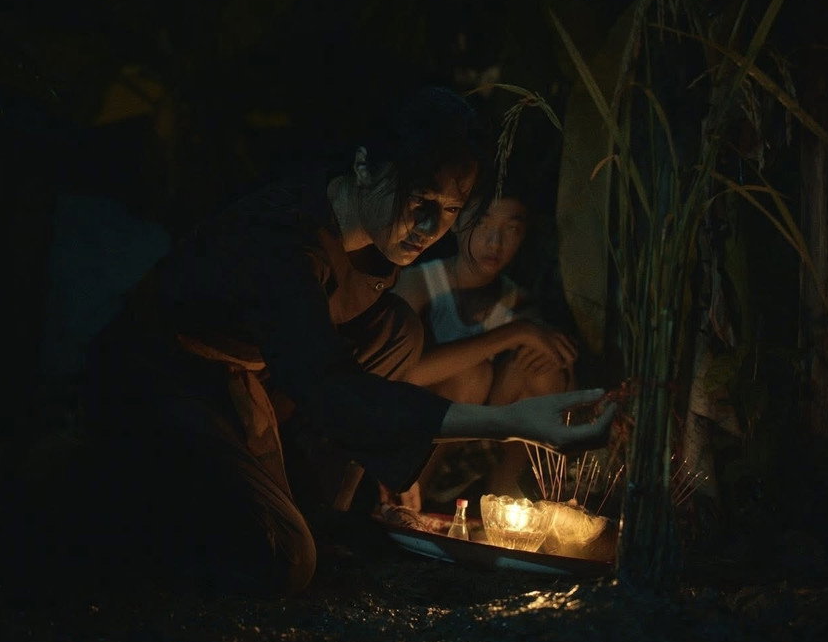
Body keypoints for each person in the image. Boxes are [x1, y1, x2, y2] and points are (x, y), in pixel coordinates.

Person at [68, 86, 614, 598]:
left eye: (450, 211)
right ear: (363, 166)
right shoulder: (285, 241)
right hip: (166, 379)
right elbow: (325, 383)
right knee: (282, 557)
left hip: (258, 382)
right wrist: (511, 420)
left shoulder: (376, 248)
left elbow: (352, 369)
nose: (430, 227)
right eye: (420, 199)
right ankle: (108, 499)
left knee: (397, 332)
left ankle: (318, 513)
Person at [390, 191, 578, 507]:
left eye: (511, 229)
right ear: (456, 222)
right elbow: (394, 374)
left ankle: (505, 504)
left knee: (540, 366)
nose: (495, 242)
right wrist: (514, 333)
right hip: (409, 434)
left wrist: (559, 359)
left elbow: (561, 392)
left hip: (477, 442)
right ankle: (405, 499)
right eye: (482, 223)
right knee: (471, 375)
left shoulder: (517, 302)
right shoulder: (419, 284)